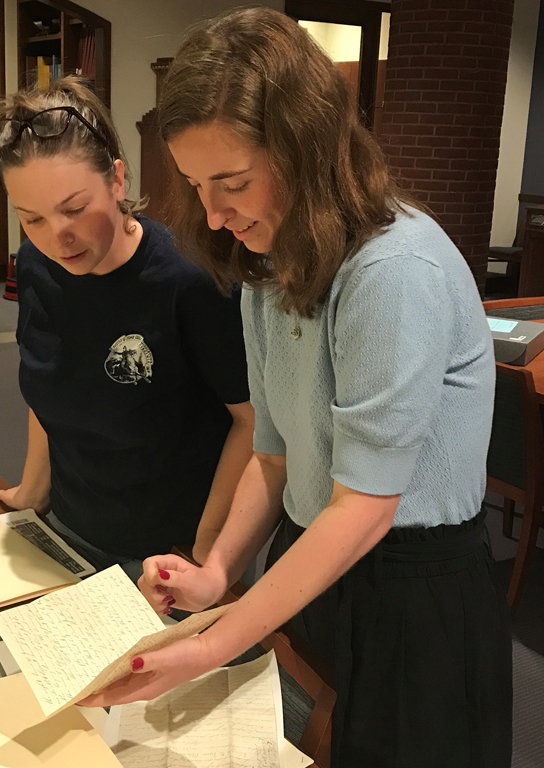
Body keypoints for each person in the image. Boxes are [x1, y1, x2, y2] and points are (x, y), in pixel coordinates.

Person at [80, 9, 512, 768]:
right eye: (194, 185)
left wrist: (216, 641)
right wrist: (216, 573)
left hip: (413, 591)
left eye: (233, 182)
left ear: (307, 148)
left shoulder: (391, 270)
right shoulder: (267, 265)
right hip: (312, 564)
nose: (213, 213)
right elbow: (274, 458)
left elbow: (366, 510)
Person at [0, 77, 254, 581]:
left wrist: (207, 550)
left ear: (117, 180)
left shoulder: (188, 280)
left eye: (74, 209)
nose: (56, 239)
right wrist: (31, 491)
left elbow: (252, 421)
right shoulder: (34, 265)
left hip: (167, 552)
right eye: (32, 218)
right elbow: (50, 386)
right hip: (67, 531)